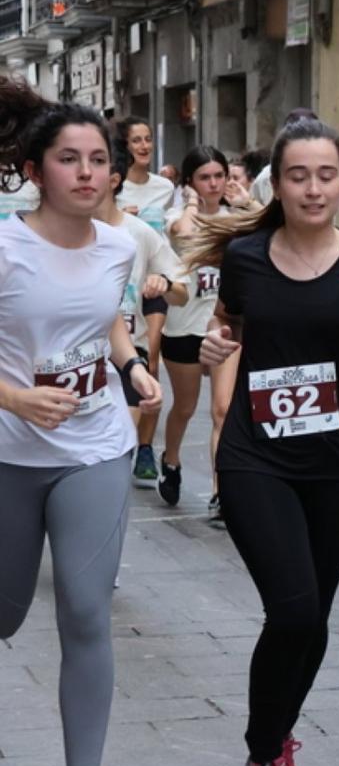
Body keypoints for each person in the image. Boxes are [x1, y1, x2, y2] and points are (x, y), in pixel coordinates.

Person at [197, 117, 339, 766]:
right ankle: (266, 760)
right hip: (257, 457)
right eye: (298, 175)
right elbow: (227, 331)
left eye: (326, 175)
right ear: (277, 185)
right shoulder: (248, 258)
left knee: (311, 620)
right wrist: (213, 359)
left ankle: (272, 752)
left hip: (337, 465)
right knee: (292, 609)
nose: (314, 188)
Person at [0, 74, 162, 766]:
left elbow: (109, 325)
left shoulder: (118, 245)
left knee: (85, 610)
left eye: (100, 158)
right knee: (3, 612)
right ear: (36, 170)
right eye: (71, 158)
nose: (89, 172)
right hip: (7, 448)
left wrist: (131, 368)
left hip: (94, 442)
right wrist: (14, 398)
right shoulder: (3, 244)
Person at [158, 145, 233, 522]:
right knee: (185, 407)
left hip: (222, 326)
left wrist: (246, 201)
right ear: (190, 183)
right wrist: (190, 203)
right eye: (204, 177)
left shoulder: (236, 217)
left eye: (219, 175)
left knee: (222, 410)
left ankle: (221, 492)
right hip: (183, 326)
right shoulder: (178, 215)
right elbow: (184, 232)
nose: (214, 183)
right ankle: (170, 460)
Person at [95, 141, 190, 424]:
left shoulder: (139, 233)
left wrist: (164, 283)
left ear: (114, 180)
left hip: (128, 355)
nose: (83, 173)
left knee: (121, 449)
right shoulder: (65, 232)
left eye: (96, 163)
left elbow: (182, 293)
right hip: (78, 356)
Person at [115, 116, 177, 487]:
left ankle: (145, 448)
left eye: (148, 139)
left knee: (150, 360)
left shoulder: (165, 187)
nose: (144, 146)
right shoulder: (115, 190)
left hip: (153, 282)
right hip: (123, 281)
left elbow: (172, 229)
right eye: (136, 140)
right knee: (126, 361)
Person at [250, 108, 339, 239]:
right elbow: (253, 220)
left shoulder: (337, 174)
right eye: (298, 178)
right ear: (276, 185)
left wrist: (337, 250)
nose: (314, 191)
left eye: (325, 178)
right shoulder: (264, 178)